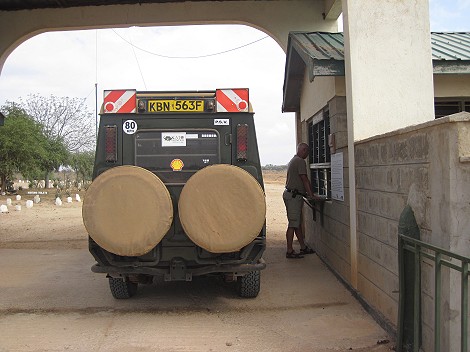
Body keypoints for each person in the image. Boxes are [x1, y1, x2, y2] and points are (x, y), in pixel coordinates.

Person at [283, 143, 318, 259]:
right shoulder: (300, 161)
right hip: (293, 196)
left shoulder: (293, 160)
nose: (307, 155)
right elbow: (304, 179)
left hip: (293, 195)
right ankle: (289, 250)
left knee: (296, 223)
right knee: (293, 224)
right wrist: (311, 194)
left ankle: (303, 247)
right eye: (307, 152)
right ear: (303, 150)